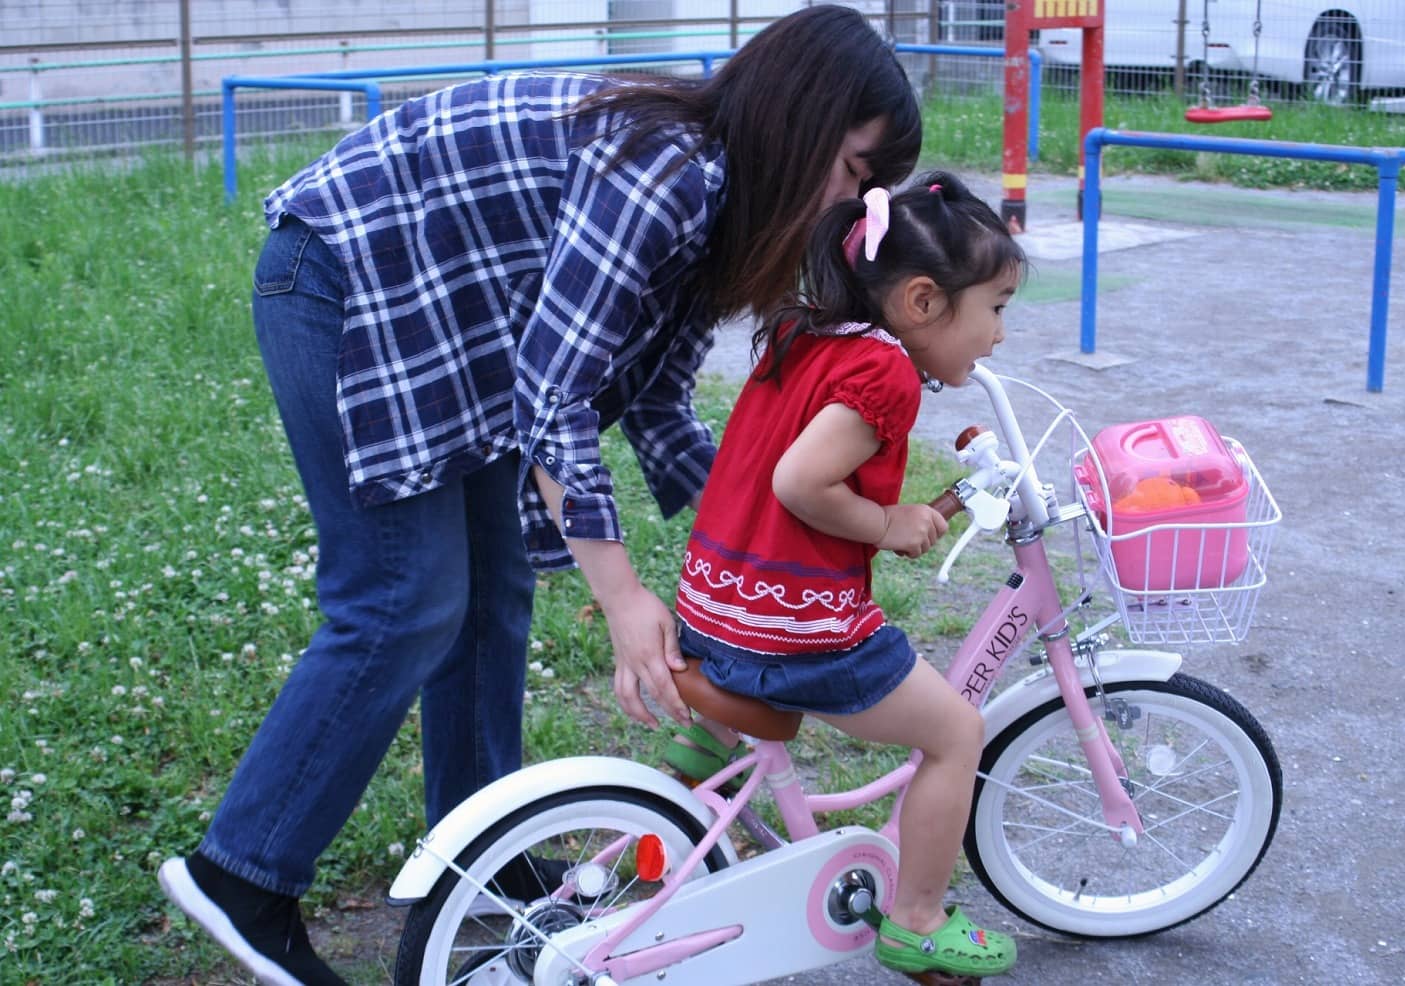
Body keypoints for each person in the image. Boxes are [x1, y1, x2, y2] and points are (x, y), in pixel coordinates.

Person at [155, 6, 921, 983]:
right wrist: (622, 597)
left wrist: (760, 547)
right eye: (853, 170)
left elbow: (654, 405)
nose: (843, 202)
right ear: (803, 119)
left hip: (453, 324)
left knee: (492, 591)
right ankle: (242, 876)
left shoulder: (714, 211)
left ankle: (488, 860)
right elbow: (555, 389)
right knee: (403, 598)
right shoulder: (666, 166)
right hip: (348, 279)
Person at [666, 172, 1025, 979]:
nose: (999, 336)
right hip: (788, 630)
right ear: (924, 302)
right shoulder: (885, 371)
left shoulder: (806, 333)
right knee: (957, 733)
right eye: (996, 310)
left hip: (713, 604)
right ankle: (920, 919)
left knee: (761, 660)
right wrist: (887, 523)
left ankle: (679, 787)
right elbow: (801, 482)